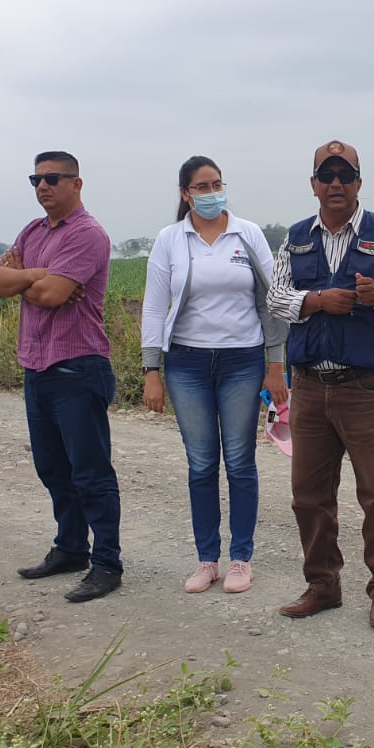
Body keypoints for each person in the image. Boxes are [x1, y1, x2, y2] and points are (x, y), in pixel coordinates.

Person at [267, 140, 374, 628]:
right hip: (309, 386)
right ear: (313, 184)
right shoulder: (296, 238)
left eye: (345, 175)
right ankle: (323, 585)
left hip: (365, 387)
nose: (335, 183)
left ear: (359, 182)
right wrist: (316, 301)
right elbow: (275, 298)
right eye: (326, 175)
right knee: (309, 495)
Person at [141, 156, 289, 595]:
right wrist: (152, 369)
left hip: (242, 361)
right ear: (185, 193)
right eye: (202, 187)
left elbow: (272, 301)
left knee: (240, 462)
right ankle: (207, 559)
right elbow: (154, 306)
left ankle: (241, 558)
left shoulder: (247, 234)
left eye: (217, 185)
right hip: (186, 363)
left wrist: (275, 365)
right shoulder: (171, 239)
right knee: (202, 463)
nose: (211, 193)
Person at [0, 150, 123, 604]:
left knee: (91, 473)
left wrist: (27, 280)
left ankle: (107, 563)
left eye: (52, 178)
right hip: (37, 367)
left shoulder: (88, 234)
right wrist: (39, 274)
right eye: (36, 180)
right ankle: (70, 548)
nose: (42, 186)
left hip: (78, 366)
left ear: (76, 183)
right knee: (52, 467)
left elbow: (48, 295)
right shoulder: (32, 231)